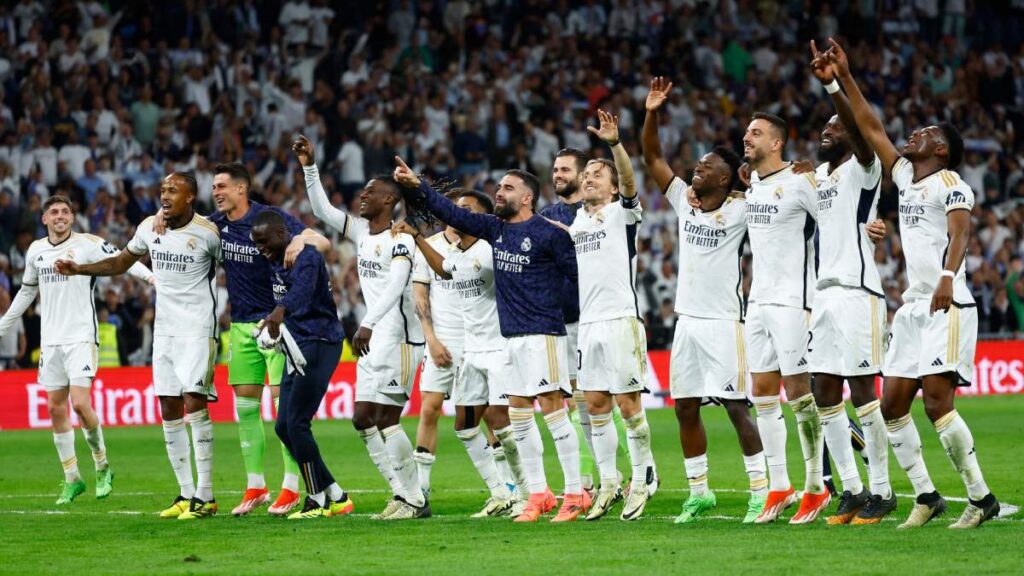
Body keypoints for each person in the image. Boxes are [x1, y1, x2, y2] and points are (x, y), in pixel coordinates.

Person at [827, 38, 1000, 529]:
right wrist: (844, 75)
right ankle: (927, 495)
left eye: (923, 133)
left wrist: (948, 276)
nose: (913, 136)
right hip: (912, 308)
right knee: (892, 405)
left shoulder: (950, 182)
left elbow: (961, 230)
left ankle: (980, 497)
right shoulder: (905, 177)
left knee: (938, 403)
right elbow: (871, 125)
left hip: (947, 303)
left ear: (940, 149)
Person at [393, 157, 587, 522]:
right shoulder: (494, 229)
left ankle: (575, 494)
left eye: (508, 188)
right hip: (509, 338)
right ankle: (539, 494)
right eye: (498, 188)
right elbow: (448, 209)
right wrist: (416, 185)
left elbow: (579, 280)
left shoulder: (551, 234)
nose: (499, 193)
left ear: (527, 197)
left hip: (543, 334)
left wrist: (557, 309)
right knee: (519, 416)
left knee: (554, 415)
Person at [157, 162, 331, 517]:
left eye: (222, 186)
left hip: (278, 326)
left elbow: (323, 241)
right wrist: (162, 220)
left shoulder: (268, 218)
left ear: (241, 189)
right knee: (246, 408)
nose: (216, 192)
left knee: (286, 409)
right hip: (241, 325)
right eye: (214, 187)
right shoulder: (215, 225)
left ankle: (291, 487)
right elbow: (184, 224)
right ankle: (256, 485)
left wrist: (300, 237)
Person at [56, 173, 221, 520]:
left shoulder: (208, 234)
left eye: (173, 191)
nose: (164, 195)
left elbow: (235, 263)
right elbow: (120, 263)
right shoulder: (149, 227)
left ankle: (205, 496)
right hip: (164, 331)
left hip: (198, 328)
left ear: (190, 197)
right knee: (168, 406)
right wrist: (79, 269)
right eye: (162, 190)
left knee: (195, 401)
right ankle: (185, 494)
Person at [641, 78, 768, 524]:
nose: (697, 167)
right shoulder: (685, 203)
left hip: (725, 322)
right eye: (698, 163)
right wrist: (652, 112)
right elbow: (653, 157)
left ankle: (761, 491)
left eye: (706, 165)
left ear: (725, 176)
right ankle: (699, 492)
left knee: (736, 406)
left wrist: (753, 186)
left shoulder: (742, 208)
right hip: (687, 323)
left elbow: (774, 204)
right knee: (686, 406)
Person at [296, 135, 429, 521]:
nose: (362, 197)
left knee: (386, 417)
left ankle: (415, 499)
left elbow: (397, 284)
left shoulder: (400, 238)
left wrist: (366, 323)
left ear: (389, 200)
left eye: (371, 193)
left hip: (400, 339)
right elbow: (321, 208)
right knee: (361, 419)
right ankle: (401, 493)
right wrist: (309, 166)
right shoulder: (360, 232)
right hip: (374, 337)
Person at [0, 194, 154, 505]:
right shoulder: (36, 251)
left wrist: (152, 279)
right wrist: (3, 325)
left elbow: (124, 260)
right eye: (53, 212)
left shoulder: (88, 243)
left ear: (72, 217)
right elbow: (27, 292)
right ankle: (73, 478)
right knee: (56, 408)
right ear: (44, 219)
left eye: (65, 211)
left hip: (81, 337)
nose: (60, 216)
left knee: (80, 405)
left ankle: (102, 466)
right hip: (51, 341)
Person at [394, 189, 528, 517]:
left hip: (498, 349)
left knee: (500, 421)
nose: (457, 215)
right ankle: (500, 492)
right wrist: (418, 237)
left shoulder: (492, 249)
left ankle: (527, 491)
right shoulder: (458, 252)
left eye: (466, 210)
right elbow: (442, 269)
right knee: (465, 426)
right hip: (471, 353)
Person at [806, 42, 894, 525]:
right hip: (823, 294)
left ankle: (882, 490)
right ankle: (853, 489)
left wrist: (833, 85)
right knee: (824, 391)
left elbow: (861, 133)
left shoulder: (866, 168)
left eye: (835, 126)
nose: (826, 130)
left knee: (863, 390)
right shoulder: (817, 174)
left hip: (859, 292)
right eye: (823, 126)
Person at [566, 110, 656, 522]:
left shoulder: (623, 214)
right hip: (588, 326)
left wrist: (615, 144)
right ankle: (608, 482)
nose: (588, 179)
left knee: (627, 404)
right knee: (596, 404)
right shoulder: (578, 221)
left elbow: (632, 185)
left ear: (613, 185)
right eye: (586, 175)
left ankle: (643, 478)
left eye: (597, 175)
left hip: (621, 321)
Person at [741, 110, 829, 524]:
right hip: (757, 301)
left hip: (794, 300)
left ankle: (816, 486)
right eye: (747, 132)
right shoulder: (754, 182)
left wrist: (870, 229)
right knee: (761, 393)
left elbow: (835, 216)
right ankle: (781, 483)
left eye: (756, 133)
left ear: (777, 143)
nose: (748, 137)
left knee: (798, 393)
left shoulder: (800, 182)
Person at [249, 209, 354, 520]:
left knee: (297, 423)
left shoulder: (305, 258)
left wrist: (279, 312)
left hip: (320, 342)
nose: (260, 248)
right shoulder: (273, 258)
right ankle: (336, 494)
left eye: (264, 241)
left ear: (283, 236)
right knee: (284, 426)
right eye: (256, 243)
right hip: (296, 344)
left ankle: (317, 499)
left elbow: (302, 292)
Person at [541, 147, 630, 494]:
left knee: (614, 403)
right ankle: (591, 480)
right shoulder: (547, 216)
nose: (558, 175)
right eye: (555, 169)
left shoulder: (601, 213)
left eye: (565, 169)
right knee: (583, 406)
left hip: (600, 317)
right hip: (561, 323)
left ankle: (641, 468)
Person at [410, 199, 464, 499]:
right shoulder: (429, 246)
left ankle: (507, 484)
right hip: (440, 343)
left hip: (476, 345)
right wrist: (431, 340)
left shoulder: (481, 243)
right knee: (429, 410)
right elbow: (421, 297)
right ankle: (422, 485)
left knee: (488, 414)